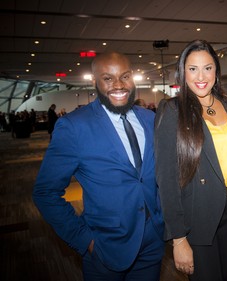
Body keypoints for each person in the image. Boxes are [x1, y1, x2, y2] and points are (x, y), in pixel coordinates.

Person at [33, 52, 165, 281]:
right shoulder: (74, 126)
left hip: (152, 242)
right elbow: (45, 193)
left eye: (125, 76)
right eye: (108, 78)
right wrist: (85, 241)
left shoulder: (149, 118)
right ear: (94, 82)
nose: (119, 85)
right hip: (105, 248)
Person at [154, 39, 227, 281]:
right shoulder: (172, 110)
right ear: (183, 72)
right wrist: (178, 238)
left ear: (216, 71)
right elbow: (167, 179)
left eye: (208, 68)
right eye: (193, 69)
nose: (201, 76)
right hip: (197, 217)